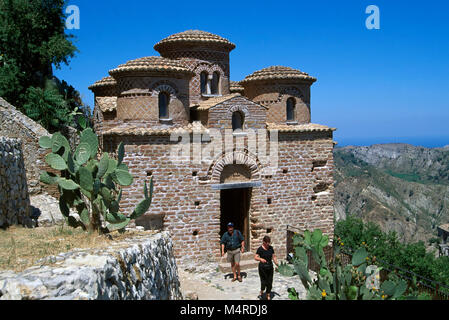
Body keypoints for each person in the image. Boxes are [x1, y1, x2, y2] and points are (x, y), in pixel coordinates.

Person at [255, 235, 279, 300]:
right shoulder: (260, 249)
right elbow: (256, 257)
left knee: (269, 281)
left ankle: (268, 294)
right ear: (264, 242)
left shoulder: (271, 248)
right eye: (266, 243)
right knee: (263, 281)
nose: (268, 244)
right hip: (262, 267)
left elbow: (274, 257)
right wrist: (260, 259)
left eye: (269, 242)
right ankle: (262, 291)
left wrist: (277, 263)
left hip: (270, 267)